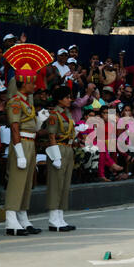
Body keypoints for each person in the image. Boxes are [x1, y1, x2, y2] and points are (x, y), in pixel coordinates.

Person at [3, 43, 53, 236]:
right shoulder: (15, 102)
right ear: (24, 83)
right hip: (21, 143)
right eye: (32, 82)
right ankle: (10, 219)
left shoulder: (26, 102)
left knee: (26, 183)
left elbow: (31, 127)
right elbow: (15, 127)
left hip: (30, 141)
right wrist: (19, 152)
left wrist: (40, 120)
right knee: (17, 180)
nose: (36, 85)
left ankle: (22, 216)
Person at [46, 86, 77, 232]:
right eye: (67, 97)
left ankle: (60, 216)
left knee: (64, 184)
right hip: (57, 148)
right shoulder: (53, 115)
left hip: (68, 148)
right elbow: (51, 135)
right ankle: (53, 218)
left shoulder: (67, 114)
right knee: (56, 183)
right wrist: (55, 156)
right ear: (59, 99)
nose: (69, 100)